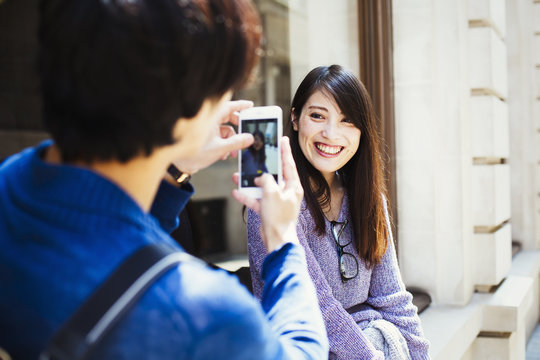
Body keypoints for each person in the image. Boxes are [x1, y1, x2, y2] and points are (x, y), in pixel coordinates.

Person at [0, 1, 329, 359]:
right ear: (186, 107)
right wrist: (282, 241)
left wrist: (172, 169)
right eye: (223, 86)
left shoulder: (10, 184)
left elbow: (106, 240)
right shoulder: (203, 313)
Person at [247, 65, 430, 359]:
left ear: (362, 131)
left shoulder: (368, 199)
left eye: (347, 121)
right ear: (295, 119)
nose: (331, 134)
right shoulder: (275, 204)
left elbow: (393, 299)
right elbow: (318, 307)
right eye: (317, 116)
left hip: (375, 344)